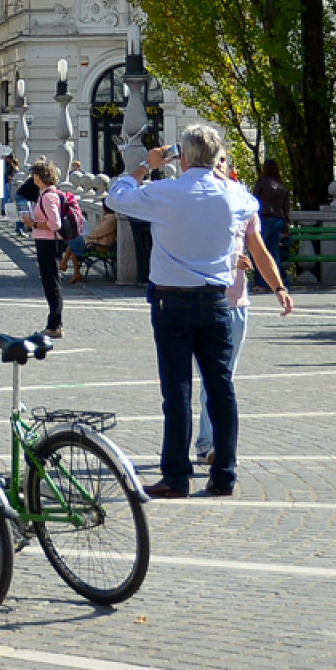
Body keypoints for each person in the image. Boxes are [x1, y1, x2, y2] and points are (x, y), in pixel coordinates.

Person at [105, 127, 293, 500]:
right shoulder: (234, 194)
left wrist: (146, 165)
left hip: (171, 300)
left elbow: (117, 197)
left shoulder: (166, 193)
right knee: (221, 389)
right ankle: (224, 473)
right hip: (215, 301)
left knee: (176, 391)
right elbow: (252, 207)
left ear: (183, 157)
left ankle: (175, 475)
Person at [195, 176, 286, 464]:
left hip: (236, 302)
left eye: (224, 163)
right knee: (209, 377)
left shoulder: (245, 205)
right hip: (200, 299)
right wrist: (228, 262)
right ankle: (208, 443)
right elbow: (188, 252)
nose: (219, 168)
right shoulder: (195, 204)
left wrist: (279, 288)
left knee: (224, 376)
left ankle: (210, 442)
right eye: (215, 162)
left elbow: (259, 251)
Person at [23, 162, 67, 338]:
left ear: (40, 176)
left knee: (52, 284)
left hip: (49, 242)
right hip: (47, 241)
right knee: (51, 283)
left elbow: (55, 224)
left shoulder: (48, 196)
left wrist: (32, 223)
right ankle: (55, 323)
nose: (32, 177)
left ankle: (54, 324)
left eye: (34, 174)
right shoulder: (49, 194)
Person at [251, 159, 290, 290]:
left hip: (265, 218)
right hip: (279, 219)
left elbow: (254, 199)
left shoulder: (262, 182)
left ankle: (261, 282)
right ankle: (276, 281)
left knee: (259, 250)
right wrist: (287, 224)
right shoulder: (282, 185)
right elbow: (286, 207)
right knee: (274, 252)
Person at [65, 208, 118, 283]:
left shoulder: (110, 220)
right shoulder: (109, 219)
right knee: (74, 242)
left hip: (100, 246)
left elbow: (97, 233)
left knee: (74, 240)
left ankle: (67, 265)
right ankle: (73, 270)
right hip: (97, 243)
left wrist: (87, 237)